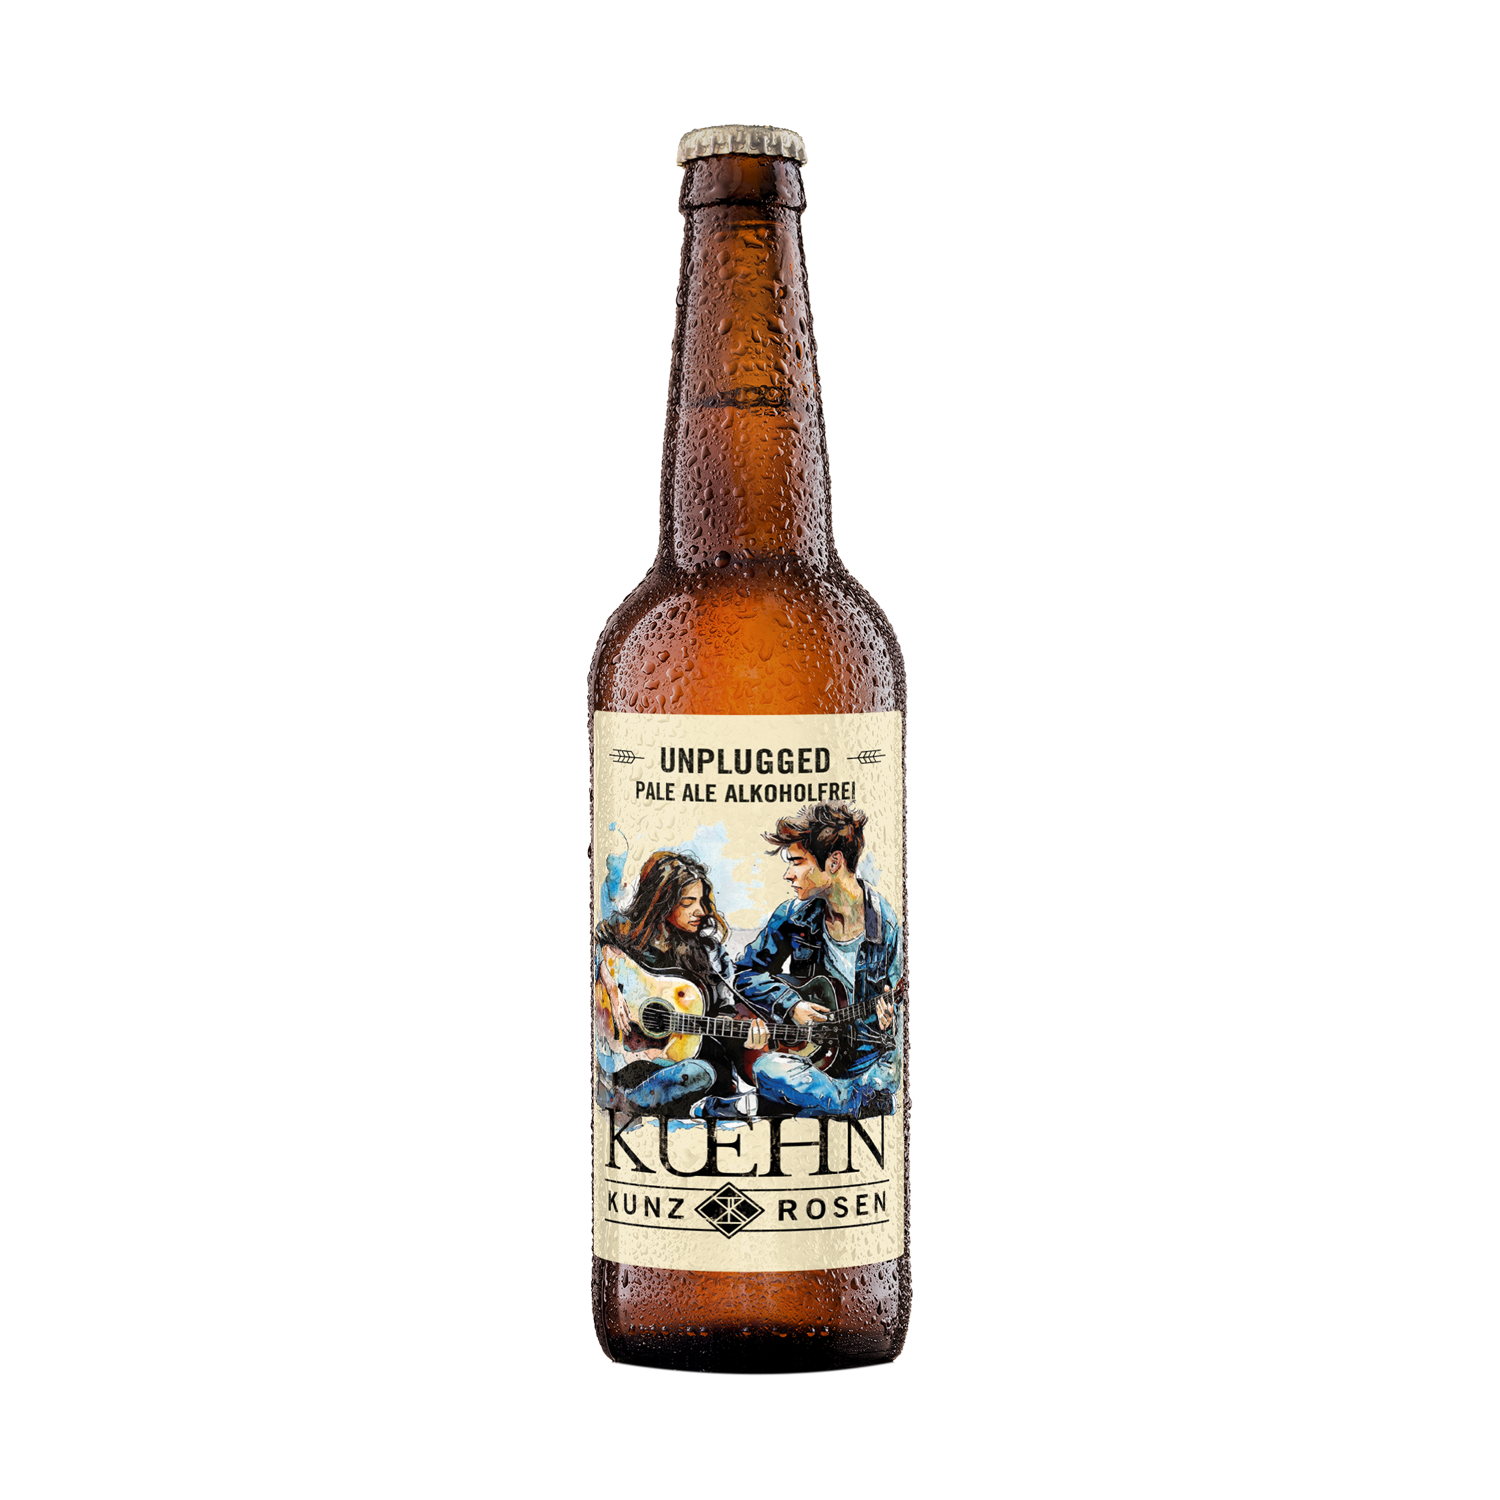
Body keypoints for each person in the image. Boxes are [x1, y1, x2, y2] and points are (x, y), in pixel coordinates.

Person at [735, 802, 903, 1118]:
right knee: (767, 1068)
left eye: (798, 862)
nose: (789, 874)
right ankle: (852, 1104)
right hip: (813, 1064)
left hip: (868, 1063)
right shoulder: (793, 916)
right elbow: (745, 974)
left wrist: (889, 1023)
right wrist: (791, 1005)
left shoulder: (887, 927)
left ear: (834, 862)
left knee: (887, 1077)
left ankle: (785, 1104)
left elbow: (901, 1027)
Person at [594, 850, 767, 1120]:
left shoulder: (710, 954)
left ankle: (630, 1101)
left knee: (702, 1073)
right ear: (662, 901)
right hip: (630, 1058)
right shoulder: (625, 931)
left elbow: (725, 1012)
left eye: (702, 901)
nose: (701, 911)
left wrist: (748, 1036)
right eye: (688, 902)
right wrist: (613, 992)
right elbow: (598, 948)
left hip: (687, 1064)